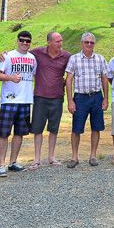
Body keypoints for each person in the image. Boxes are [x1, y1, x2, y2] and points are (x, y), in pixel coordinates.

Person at [0, 31, 37, 177]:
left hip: (25, 100)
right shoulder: (8, 56)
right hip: (9, 100)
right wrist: (10, 77)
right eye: (22, 40)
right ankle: (1, 165)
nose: (25, 43)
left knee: (20, 133)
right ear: (17, 41)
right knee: (4, 133)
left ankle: (13, 162)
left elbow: (36, 74)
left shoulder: (32, 58)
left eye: (27, 41)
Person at [65, 32, 109, 168]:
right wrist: (70, 101)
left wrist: (106, 98)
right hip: (80, 98)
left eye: (91, 42)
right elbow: (69, 80)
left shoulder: (100, 59)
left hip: (96, 96)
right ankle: (74, 157)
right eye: (86, 42)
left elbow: (104, 79)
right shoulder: (74, 59)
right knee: (76, 128)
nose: (89, 44)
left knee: (96, 127)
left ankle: (93, 155)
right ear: (82, 43)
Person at [29, 32, 70, 169]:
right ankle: (36, 159)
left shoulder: (66, 56)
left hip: (57, 97)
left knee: (54, 129)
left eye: (61, 41)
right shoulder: (37, 53)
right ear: (49, 42)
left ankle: (51, 157)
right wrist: (4, 55)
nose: (60, 44)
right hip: (40, 96)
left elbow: (72, 71)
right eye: (57, 41)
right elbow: (22, 54)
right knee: (37, 129)